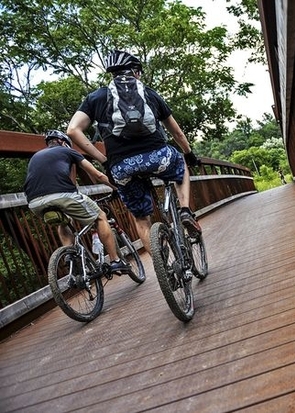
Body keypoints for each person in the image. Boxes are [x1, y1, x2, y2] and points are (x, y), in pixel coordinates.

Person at [67, 50, 201, 253]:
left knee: (141, 218)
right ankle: (184, 211)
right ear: (135, 73)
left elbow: (72, 130)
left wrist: (104, 160)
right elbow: (177, 133)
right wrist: (189, 153)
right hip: (158, 158)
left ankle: (163, 266)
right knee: (180, 164)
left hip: (122, 167)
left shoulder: (96, 97)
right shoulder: (149, 94)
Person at [24, 130, 128, 272]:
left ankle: (69, 254)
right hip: (62, 195)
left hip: (33, 202)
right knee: (100, 217)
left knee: (63, 220)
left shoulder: (35, 156)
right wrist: (116, 188)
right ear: (62, 142)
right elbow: (97, 174)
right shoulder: (68, 151)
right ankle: (116, 261)